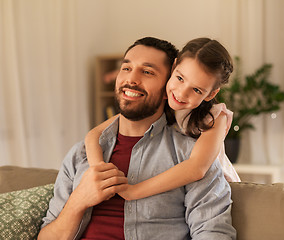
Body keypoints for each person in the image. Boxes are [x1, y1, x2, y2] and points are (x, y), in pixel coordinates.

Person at [38, 37, 236, 240]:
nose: (131, 79)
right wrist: (78, 200)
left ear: (166, 80)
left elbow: (213, 233)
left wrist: (133, 191)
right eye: (126, 68)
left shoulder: (193, 152)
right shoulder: (80, 155)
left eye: (148, 72)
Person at [85, 37, 240, 201]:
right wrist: (100, 171)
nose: (181, 93)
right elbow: (93, 135)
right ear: (173, 68)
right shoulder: (162, 101)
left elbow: (197, 168)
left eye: (196, 90)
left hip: (216, 192)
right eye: (180, 79)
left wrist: (133, 192)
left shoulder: (215, 117)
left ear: (210, 94)